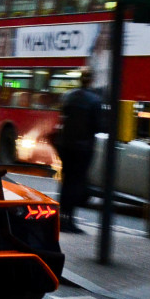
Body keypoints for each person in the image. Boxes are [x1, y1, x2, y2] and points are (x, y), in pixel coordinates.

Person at [56, 68, 103, 234]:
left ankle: (61, 218)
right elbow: (98, 126)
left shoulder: (68, 96)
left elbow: (63, 116)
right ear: (91, 80)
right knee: (77, 184)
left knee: (66, 182)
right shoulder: (95, 100)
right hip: (83, 148)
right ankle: (70, 220)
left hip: (66, 146)